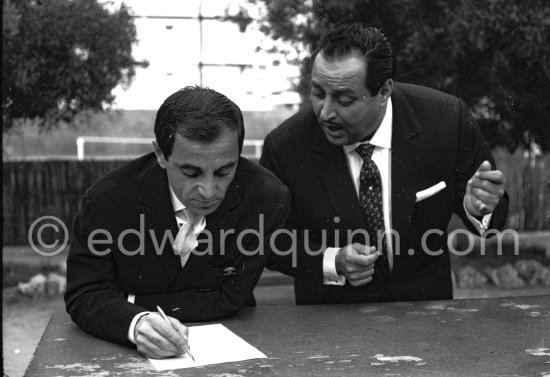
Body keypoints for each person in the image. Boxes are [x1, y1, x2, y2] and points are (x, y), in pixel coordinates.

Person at [260, 23, 508, 305]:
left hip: (427, 316)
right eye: (318, 93)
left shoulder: (449, 121)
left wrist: (478, 209)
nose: (325, 112)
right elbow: (268, 241)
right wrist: (332, 261)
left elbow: (493, 218)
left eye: (344, 99)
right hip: (330, 324)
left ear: (384, 91)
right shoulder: (285, 146)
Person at [65, 86, 290, 358]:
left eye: (224, 171)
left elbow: (231, 299)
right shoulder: (106, 200)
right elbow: (84, 293)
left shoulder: (267, 197)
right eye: (190, 172)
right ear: (160, 154)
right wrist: (136, 324)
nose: (208, 191)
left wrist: (130, 303)